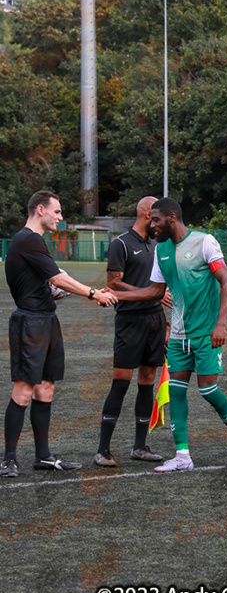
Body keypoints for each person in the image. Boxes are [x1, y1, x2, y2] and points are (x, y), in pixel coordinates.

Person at [114, 197, 227, 472]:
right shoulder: (161, 250)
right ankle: (183, 456)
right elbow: (155, 291)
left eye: (156, 220)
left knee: (208, 390)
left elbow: (226, 282)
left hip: (207, 333)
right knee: (176, 392)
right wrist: (116, 294)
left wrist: (220, 324)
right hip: (178, 336)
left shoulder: (204, 242)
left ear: (171, 218)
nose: (152, 225)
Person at [1, 191, 117, 478]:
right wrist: (93, 293)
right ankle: (8, 459)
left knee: (46, 388)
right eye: (57, 211)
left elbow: (48, 283)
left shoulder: (34, 241)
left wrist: (54, 293)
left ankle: (43, 457)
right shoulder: (28, 239)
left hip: (46, 319)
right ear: (40, 210)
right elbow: (57, 278)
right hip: (30, 323)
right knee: (24, 389)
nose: (61, 217)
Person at [94, 196, 171, 467]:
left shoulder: (158, 243)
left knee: (148, 379)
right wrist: (149, 293)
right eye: (159, 214)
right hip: (129, 320)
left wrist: (165, 319)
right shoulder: (121, 243)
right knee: (121, 382)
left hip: (155, 320)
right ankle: (103, 450)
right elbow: (113, 284)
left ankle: (140, 446)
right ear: (148, 213)